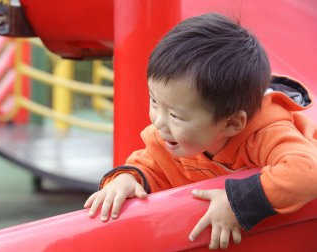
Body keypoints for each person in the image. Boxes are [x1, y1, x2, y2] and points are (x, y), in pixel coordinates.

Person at [84, 13, 317, 250]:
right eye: (154, 101)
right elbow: (150, 169)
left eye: (176, 115)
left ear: (232, 123)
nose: (159, 122)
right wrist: (126, 179)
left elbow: (308, 173)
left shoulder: (265, 133)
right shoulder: (170, 139)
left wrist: (238, 202)